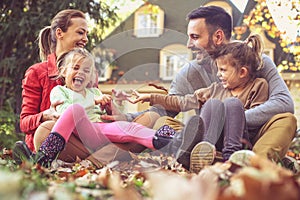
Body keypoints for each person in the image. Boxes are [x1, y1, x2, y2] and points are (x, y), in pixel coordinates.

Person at [102, 5, 297, 169]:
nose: (188, 44)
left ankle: (252, 167)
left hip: (251, 138)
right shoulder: (189, 73)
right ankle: (207, 157)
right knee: (163, 124)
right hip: (208, 140)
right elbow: (167, 107)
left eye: (194, 37)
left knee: (286, 120)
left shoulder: (255, 61)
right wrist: (125, 118)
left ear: (218, 36)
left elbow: (283, 103)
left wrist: (232, 119)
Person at [14, 47, 203, 167]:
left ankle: (172, 142)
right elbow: (67, 114)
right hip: (80, 131)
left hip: (100, 132)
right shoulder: (59, 92)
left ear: (91, 77)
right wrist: (91, 103)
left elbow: (105, 116)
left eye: (86, 71)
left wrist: (110, 107)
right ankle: (43, 157)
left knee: (130, 127)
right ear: (64, 71)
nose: (81, 73)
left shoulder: (95, 93)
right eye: (76, 68)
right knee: (76, 110)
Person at [132, 34, 269, 172]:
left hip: (238, 141)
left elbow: (257, 118)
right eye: (218, 69)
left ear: (242, 72)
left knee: (232, 104)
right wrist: (151, 97)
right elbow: (182, 101)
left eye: (222, 70)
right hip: (214, 141)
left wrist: (232, 116)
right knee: (213, 104)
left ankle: (231, 158)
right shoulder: (216, 89)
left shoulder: (258, 86)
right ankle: (204, 151)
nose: (218, 74)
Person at [13, 9, 114, 167]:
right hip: (49, 140)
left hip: (83, 141)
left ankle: (86, 161)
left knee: (125, 133)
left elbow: (95, 117)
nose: (85, 39)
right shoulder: (37, 72)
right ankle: (44, 157)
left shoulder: (90, 74)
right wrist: (45, 115)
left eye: (86, 34)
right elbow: (24, 123)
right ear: (60, 33)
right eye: (80, 33)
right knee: (49, 128)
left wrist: (108, 109)